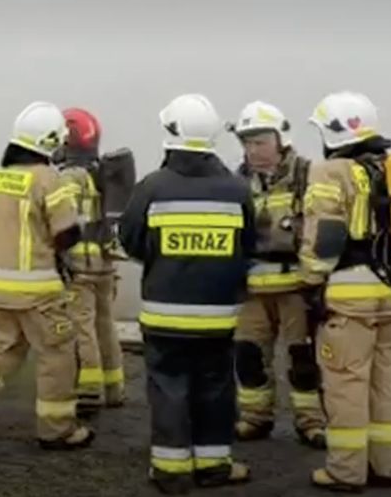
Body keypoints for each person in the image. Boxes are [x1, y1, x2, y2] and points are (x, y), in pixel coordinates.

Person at [119, 93, 254, 495]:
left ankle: (170, 471)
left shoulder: (151, 187)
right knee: (215, 387)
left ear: (170, 134)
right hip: (218, 317)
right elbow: (249, 245)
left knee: (168, 388)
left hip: (164, 315)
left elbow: (130, 240)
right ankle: (214, 466)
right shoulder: (237, 189)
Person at [0, 101, 96, 450]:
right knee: (57, 353)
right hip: (38, 289)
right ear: (50, 141)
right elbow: (65, 234)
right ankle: (57, 429)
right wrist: (83, 226)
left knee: (4, 348)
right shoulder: (47, 179)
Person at [300, 92, 391, 492]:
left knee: (347, 383)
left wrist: (310, 281)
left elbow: (324, 237)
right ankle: (384, 466)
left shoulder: (331, 171)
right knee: (385, 383)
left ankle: (346, 472)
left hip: (350, 296)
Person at [228, 101, 326, 449]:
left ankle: (311, 423)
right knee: (249, 357)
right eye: (247, 143)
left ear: (279, 139)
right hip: (252, 289)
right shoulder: (237, 183)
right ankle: (255, 418)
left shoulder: (307, 175)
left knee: (304, 360)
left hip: (296, 288)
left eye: (259, 141)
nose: (252, 150)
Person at [57, 107, 126, 417]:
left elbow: (64, 217)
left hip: (81, 265)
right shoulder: (100, 171)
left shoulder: (71, 176)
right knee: (105, 324)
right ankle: (114, 388)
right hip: (104, 264)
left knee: (81, 326)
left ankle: (88, 390)